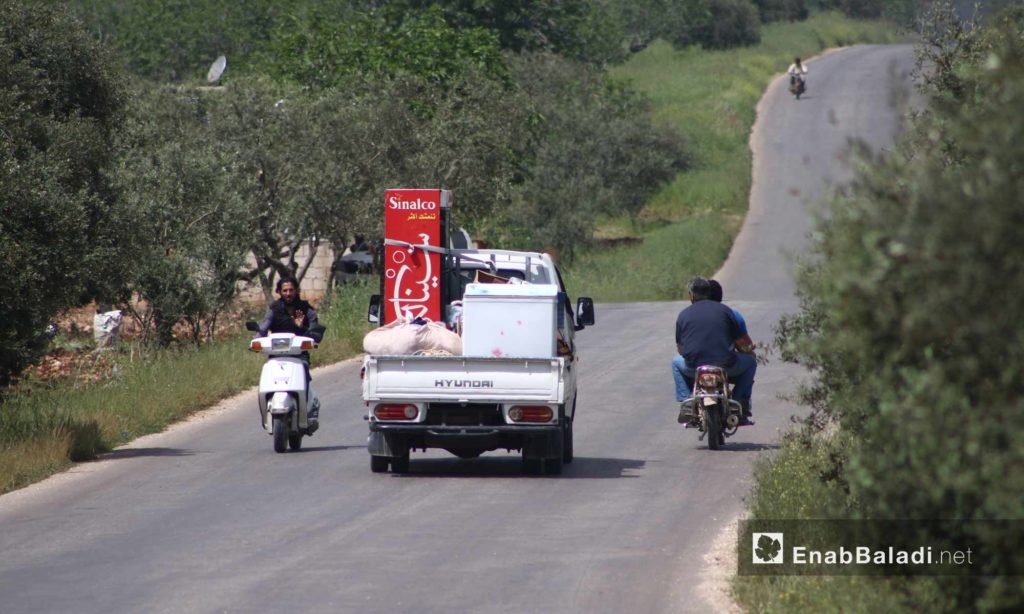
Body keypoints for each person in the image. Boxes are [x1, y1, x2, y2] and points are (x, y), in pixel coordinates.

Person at [671, 276, 756, 426]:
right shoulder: (726, 312)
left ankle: (686, 402)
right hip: (725, 366)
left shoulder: (683, 314)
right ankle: (737, 401)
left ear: (692, 295)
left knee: (676, 362)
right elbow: (741, 343)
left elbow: (680, 348)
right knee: (751, 363)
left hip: (694, 367)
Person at [258, 275, 323, 429]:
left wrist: (301, 328)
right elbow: (263, 328)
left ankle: (305, 412)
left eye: (291, 290)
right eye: (285, 290)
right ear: (279, 292)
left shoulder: (306, 310)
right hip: (276, 356)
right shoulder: (274, 310)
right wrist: (256, 340)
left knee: (304, 373)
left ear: (297, 291)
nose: (288, 293)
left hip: (299, 356)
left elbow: (316, 333)